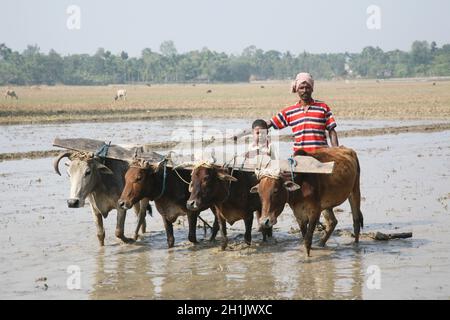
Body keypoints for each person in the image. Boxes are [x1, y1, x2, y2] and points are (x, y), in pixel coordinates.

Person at [267, 72, 339, 153]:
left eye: (307, 87)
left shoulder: (323, 107)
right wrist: (259, 132)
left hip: (321, 155)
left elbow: (332, 130)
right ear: (297, 89)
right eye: (301, 88)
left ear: (312, 89)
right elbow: (270, 124)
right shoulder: (290, 111)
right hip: (300, 157)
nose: (304, 91)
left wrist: (336, 152)